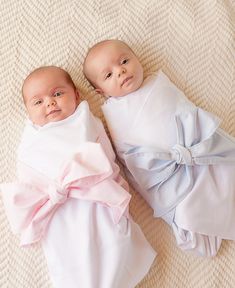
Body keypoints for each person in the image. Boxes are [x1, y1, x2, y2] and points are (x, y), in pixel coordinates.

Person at [1, 66, 156, 288]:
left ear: (76, 94)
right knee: (68, 257)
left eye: (57, 94)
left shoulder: (84, 121)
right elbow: (28, 176)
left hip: (96, 199)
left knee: (113, 242)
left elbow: (106, 158)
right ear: (28, 112)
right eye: (38, 102)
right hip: (57, 210)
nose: (50, 103)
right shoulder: (30, 142)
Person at [83, 39, 235, 257]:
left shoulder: (158, 83)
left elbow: (185, 109)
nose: (121, 71)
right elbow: (132, 163)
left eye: (124, 60)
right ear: (100, 91)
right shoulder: (114, 115)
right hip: (167, 173)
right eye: (108, 75)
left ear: (137, 59)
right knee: (188, 214)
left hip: (197, 146)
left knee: (224, 169)